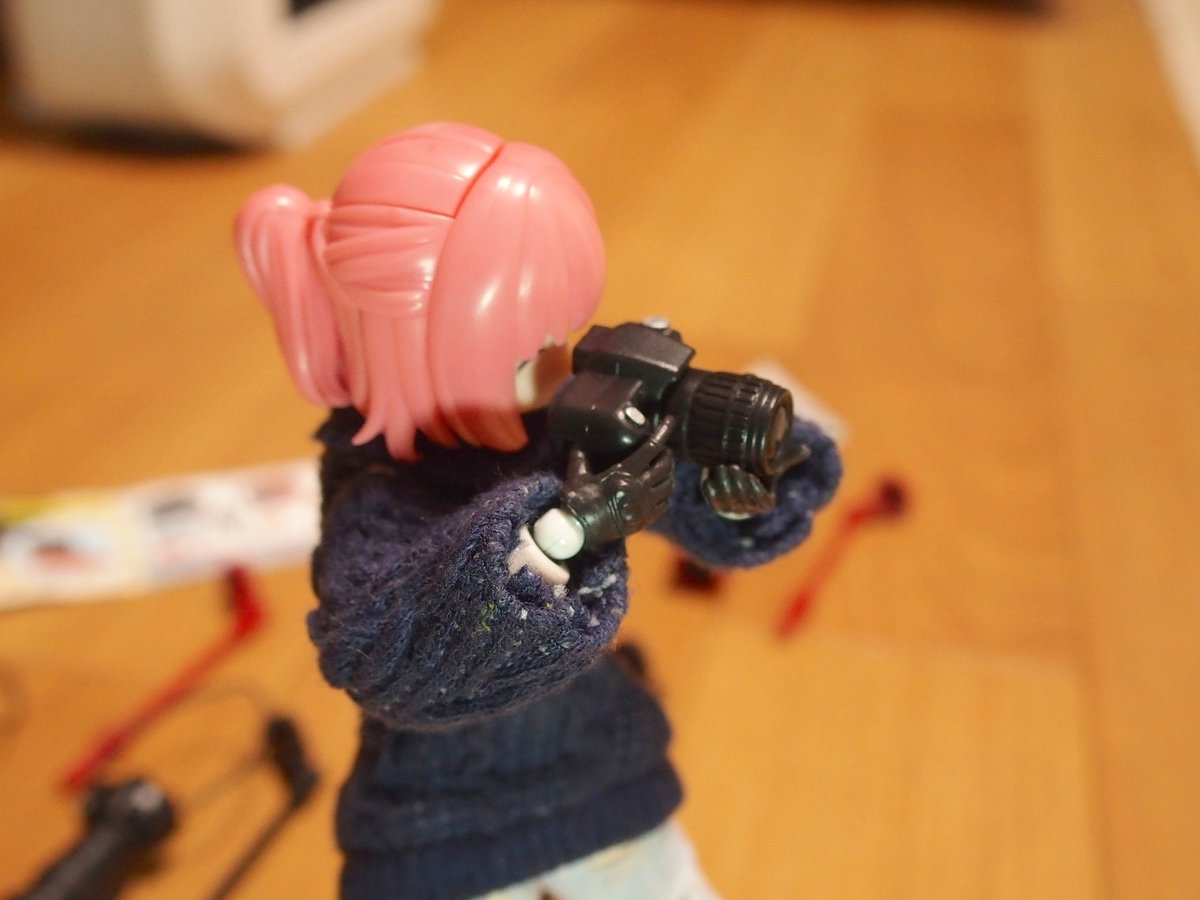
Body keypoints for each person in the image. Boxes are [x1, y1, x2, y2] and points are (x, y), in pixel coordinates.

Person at [235, 122, 840, 900]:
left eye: (566, 336)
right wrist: (565, 532)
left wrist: (735, 469)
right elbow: (384, 657)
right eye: (529, 354)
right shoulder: (377, 491)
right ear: (419, 347)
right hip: (440, 818)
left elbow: (691, 507)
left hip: (598, 775)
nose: (562, 369)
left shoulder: (550, 422)